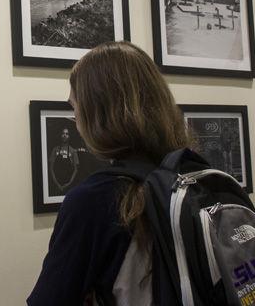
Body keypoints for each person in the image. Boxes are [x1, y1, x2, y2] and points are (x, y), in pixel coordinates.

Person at [27, 41, 191, 305]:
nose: (75, 119)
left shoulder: (94, 201)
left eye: (75, 106)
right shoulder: (199, 178)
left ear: (99, 114)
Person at [48, 127, 80, 194]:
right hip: (56, 186)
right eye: (63, 133)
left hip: (69, 187)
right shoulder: (55, 149)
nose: (65, 135)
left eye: (67, 134)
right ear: (60, 135)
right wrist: (57, 184)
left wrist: (69, 184)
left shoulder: (73, 151)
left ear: (69, 136)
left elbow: (76, 170)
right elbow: (51, 168)